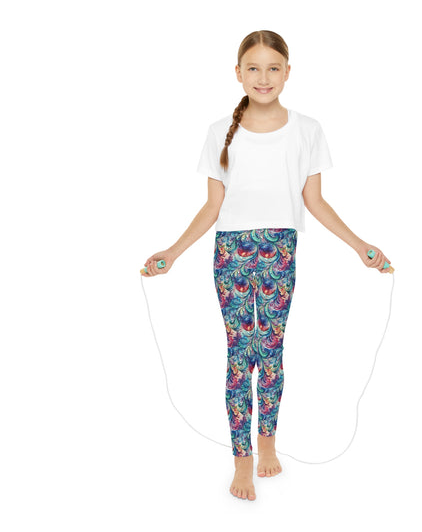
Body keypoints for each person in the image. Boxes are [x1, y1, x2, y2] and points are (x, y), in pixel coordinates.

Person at [141, 29, 392, 502]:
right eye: (253, 68)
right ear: (238, 74)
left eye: (273, 68)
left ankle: (268, 443)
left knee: (270, 352)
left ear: (288, 72)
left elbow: (314, 201)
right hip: (231, 254)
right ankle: (242, 461)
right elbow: (212, 207)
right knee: (241, 355)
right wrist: (172, 253)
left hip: (280, 250)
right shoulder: (219, 131)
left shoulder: (307, 129)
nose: (263, 77)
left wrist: (360, 246)